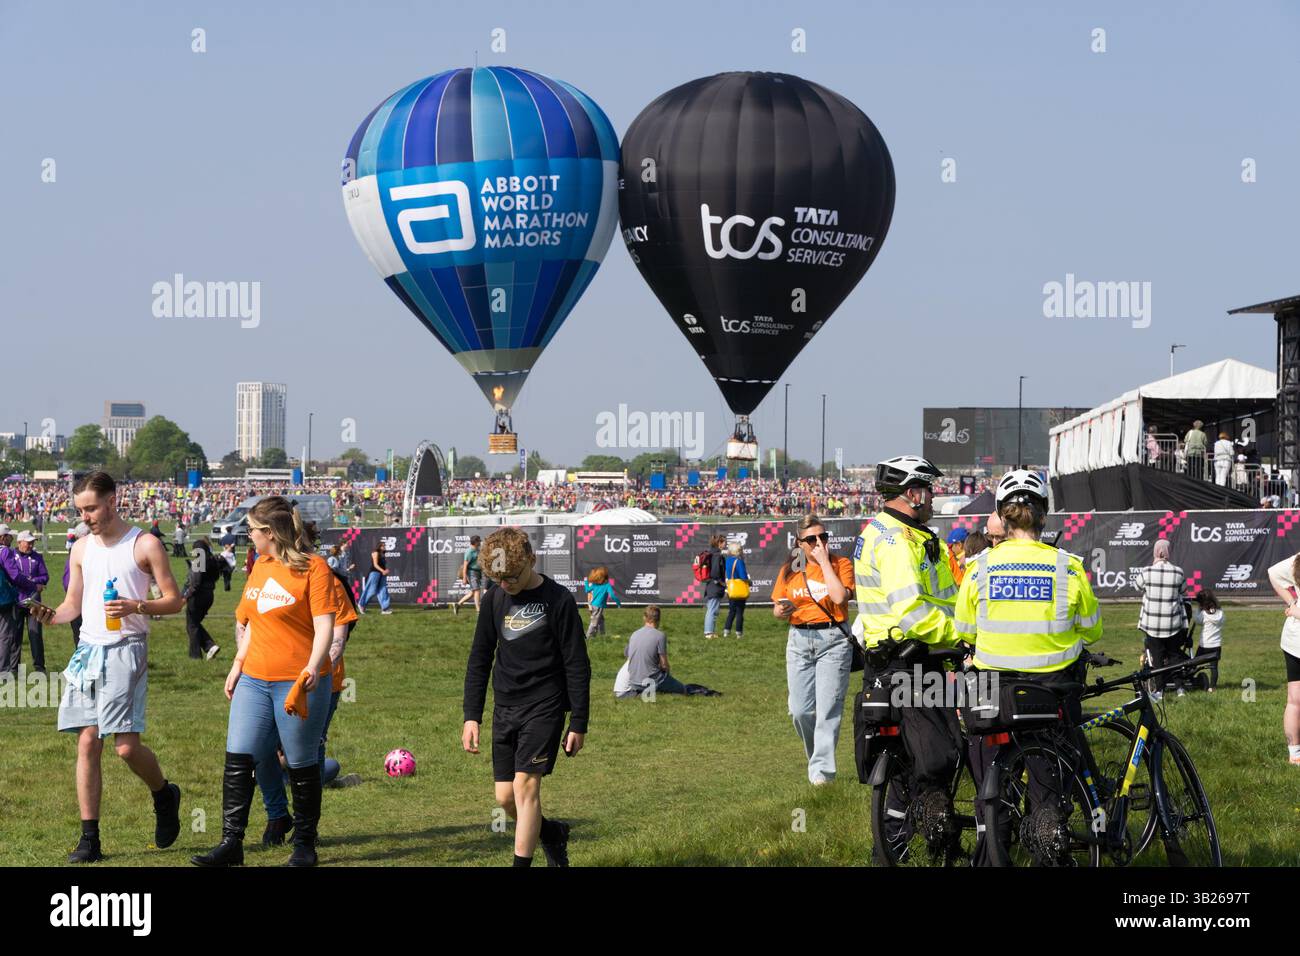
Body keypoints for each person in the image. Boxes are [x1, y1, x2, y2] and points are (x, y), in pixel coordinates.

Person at [29, 471, 185, 864]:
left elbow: (174, 600)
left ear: (113, 500)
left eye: (92, 508)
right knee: (86, 741)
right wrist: (52, 616)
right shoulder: (81, 548)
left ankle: (164, 795)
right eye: (81, 510)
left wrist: (137, 606)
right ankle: (89, 839)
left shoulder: (144, 544)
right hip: (88, 650)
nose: (86, 517)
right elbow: (73, 606)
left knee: (126, 749)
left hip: (125, 650)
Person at [955, 469, 1103, 865]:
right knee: (1047, 781)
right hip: (1051, 691)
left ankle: (993, 841)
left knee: (991, 770)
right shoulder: (1067, 567)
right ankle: (1049, 843)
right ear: (1043, 516)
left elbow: (964, 629)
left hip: (992, 690)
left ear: (1002, 519)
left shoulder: (980, 567)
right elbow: (1092, 629)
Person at [191, 496, 336, 867]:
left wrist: (311, 669)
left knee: (302, 763)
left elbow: (325, 628)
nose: (248, 537)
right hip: (254, 678)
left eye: (252, 531)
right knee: (240, 753)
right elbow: (253, 621)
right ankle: (231, 843)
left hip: (297, 681)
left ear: (270, 533)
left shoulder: (315, 569)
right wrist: (238, 663)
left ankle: (304, 845)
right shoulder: (260, 566)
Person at [462, 527, 590, 867]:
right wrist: (471, 715)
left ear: (531, 559)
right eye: (499, 579)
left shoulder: (559, 599)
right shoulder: (493, 598)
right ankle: (551, 833)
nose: (507, 585)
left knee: (525, 787)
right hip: (505, 707)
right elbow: (479, 658)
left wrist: (578, 721)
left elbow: (577, 663)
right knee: (505, 799)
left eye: (513, 577)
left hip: (545, 706)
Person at [853, 456, 962, 848]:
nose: (934, 498)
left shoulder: (890, 531)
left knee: (906, 758)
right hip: (914, 659)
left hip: (887, 661)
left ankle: (898, 843)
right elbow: (913, 613)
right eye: (930, 489)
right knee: (937, 753)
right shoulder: (898, 542)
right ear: (913, 493)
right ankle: (935, 835)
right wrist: (962, 634)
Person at [775, 513, 855, 785]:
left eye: (823, 536)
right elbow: (777, 606)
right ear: (800, 543)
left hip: (833, 641)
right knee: (799, 711)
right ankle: (817, 760)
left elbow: (839, 597)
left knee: (828, 709)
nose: (819, 542)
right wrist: (782, 609)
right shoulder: (791, 567)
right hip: (799, 640)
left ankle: (821, 775)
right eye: (811, 539)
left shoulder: (840, 563)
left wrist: (823, 562)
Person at [1132, 539, 1188, 699]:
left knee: (1156, 658)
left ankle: (1160, 690)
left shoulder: (1147, 571)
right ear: (1168, 551)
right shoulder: (1178, 572)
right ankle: (1180, 689)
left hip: (1153, 625)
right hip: (1172, 624)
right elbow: (1183, 589)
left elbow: (1137, 586)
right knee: (1175, 656)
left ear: (1155, 551)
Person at [1266, 554, 1300, 765]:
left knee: (1294, 701)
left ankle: (1295, 754)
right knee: (1295, 701)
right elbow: (1273, 573)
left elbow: (1273, 573)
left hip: (1294, 638)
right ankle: (1295, 754)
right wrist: (1293, 604)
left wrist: (1295, 606)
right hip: (1295, 640)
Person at [615, 605, 687, 698]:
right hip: (652, 680)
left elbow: (627, 655)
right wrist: (667, 674)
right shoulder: (660, 636)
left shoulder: (634, 634)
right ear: (659, 619)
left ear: (644, 618)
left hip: (634, 682)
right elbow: (664, 664)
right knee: (682, 689)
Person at [6, 530, 51, 672]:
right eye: (28, 542)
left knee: (35, 634)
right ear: (19, 542)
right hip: (16, 601)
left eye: (32, 542)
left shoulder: (37, 557)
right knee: (15, 636)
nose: (31, 545)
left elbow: (45, 577)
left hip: (34, 602)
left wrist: (33, 581)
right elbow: (10, 575)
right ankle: (14, 669)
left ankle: (39, 668)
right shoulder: (11, 555)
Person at [181, 538, 222, 660]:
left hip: (198, 596)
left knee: (192, 625)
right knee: (195, 623)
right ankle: (210, 646)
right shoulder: (212, 561)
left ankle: (195, 655)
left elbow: (195, 583)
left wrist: (184, 596)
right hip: (209, 595)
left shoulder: (199, 562)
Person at [1191, 588, 1222, 692]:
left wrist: (1198, 609)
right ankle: (1212, 687)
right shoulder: (1219, 612)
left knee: (1194, 663)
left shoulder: (1204, 614)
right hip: (1216, 645)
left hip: (1205, 645)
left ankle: (1189, 679)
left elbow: (1197, 620)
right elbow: (1223, 620)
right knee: (1214, 667)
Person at [0, 524, 20, 675]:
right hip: (4, 600)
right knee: (6, 636)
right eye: (9, 536)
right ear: (2, 537)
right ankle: (4, 671)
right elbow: (14, 575)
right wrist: (32, 585)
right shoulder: (5, 551)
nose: (11, 538)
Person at [722, 540, 750, 639]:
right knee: (739, 612)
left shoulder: (728, 561)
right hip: (739, 589)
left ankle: (726, 630)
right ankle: (739, 632)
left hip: (731, 588)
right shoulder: (739, 561)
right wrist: (748, 581)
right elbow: (743, 575)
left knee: (731, 611)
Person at [583, 566, 620, 638]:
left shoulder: (594, 585)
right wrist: (618, 603)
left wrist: (586, 582)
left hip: (594, 605)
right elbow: (612, 595)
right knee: (594, 622)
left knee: (601, 620)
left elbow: (587, 590)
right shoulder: (607, 586)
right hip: (598, 606)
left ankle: (602, 635)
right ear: (605, 577)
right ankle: (588, 637)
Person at [702, 533, 726, 639]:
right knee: (712, 609)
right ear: (719, 543)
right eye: (724, 542)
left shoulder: (711, 554)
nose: (725, 544)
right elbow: (715, 573)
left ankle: (710, 631)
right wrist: (721, 582)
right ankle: (708, 632)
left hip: (711, 585)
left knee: (713, 609)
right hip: (715, 586)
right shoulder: (717, 555)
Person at [358, 540, 392, 615]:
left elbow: (382, 565)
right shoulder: (375, 553)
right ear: (379, 546)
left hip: (382, 574)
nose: (384, 547)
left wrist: (385, 571)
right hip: (375, 573)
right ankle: (361, 604)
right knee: (371, 590)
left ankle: (385, 608)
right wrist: (383, 571)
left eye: (384, 545)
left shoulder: (383, 554)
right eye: (383, 546)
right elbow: (375, 565)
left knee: (383, 589)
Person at [453, 535, 483, 614]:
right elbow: (465, 566)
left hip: (477, 573)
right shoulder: (469, 551)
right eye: (479, 541)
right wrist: (464, 578)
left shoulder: (477, 550)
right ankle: (478, 610)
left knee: (473, 593)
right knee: (477, 590)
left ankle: (458, 604)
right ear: (475, 542)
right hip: (471, 572)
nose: (480, 542)